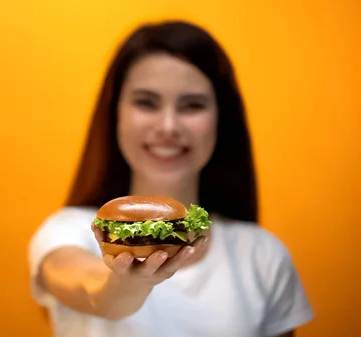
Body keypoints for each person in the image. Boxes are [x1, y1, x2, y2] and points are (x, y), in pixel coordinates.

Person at [28, 20, 313, 337]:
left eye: (192, 105)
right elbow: (90, 291)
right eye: (146, 102)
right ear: (115, 113)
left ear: (221, 119)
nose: (168, 126)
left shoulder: (264, 256)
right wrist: (126, 282)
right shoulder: (65, 231)